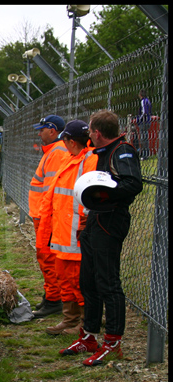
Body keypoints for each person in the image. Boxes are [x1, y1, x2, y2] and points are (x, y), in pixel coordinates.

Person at [59, 110, 143, 366]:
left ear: (97, 133)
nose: (88, 139)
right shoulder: (104, 152)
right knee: (89, 282)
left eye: (90, 133)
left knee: (108, 283)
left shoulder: (122, 151)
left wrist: (104, 194)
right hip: (96, 219)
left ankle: (113, 342)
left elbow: (133, 184)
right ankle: (89, 336)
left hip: (111, 219)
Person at [37, 120, 97, 335]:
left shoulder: (89, 161)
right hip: (62, 231)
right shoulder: (71, 159)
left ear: (71, 141)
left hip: (75, 233)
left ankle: (85, 322)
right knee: (64, 277)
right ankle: (69, 319)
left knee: (77, 280)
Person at [28, 115, 68, 318]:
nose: (39, 133)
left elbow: (51, 190)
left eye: (41, 129)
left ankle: (54, 299)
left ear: (52, 130)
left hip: (47, 216)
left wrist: (45, 216)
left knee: (48, 257)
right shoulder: (54, 151)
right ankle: (51, 296)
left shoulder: (57, 153)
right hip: (43, 215)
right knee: (46, 257)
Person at [136, 89, 152, 158]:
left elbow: (144, 112)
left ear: (140, 95)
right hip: (148, 121)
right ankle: (146, 153)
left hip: (144, 121)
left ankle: (145, 154)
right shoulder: (148, 101)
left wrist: (139, 119)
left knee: (143, 138)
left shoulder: (143, 101)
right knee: (146, 138)